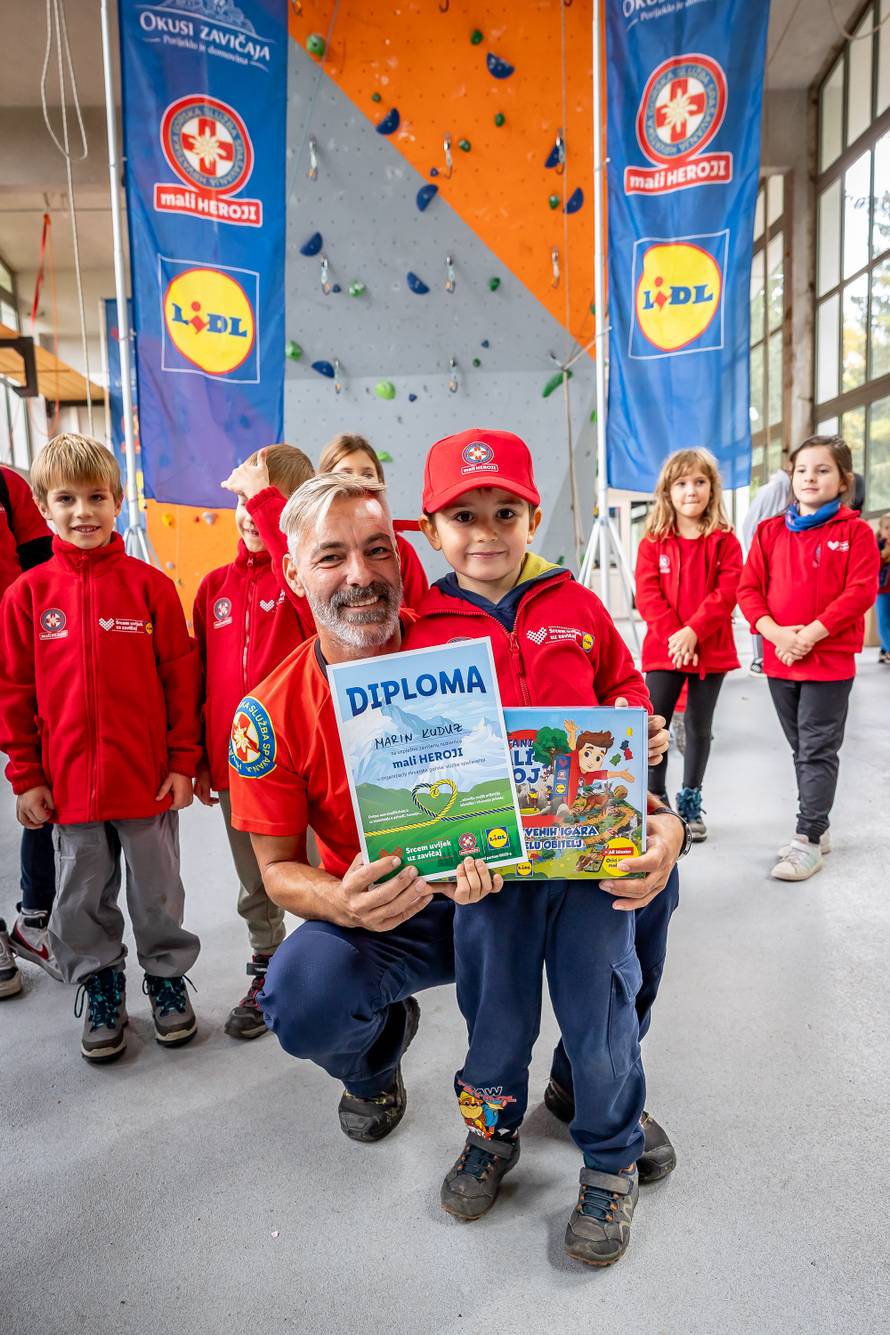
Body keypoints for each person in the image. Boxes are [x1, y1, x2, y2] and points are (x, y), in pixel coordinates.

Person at [228, 473, 684, 1178]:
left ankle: (591, 1077)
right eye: (330, 557)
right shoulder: (270, 710)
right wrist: (342, 901)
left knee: (647, 882)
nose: (360, 575)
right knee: (302, 993)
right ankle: (376, 1059)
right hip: (394, 910)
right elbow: (277, 869)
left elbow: (578, 763)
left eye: (377, 550)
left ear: (404, 554)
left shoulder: (466, 640)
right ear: (292, 572)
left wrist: (666, 825)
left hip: (511, 882)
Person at [405, 428, 685, 1267]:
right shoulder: (420, 628)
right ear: (431, 529)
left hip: (590, 860)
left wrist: (640, 725)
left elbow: (623, 685)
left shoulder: (578, 605)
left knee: (600, 1018)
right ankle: (491, 1136)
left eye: (505, 512)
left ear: (534, 517)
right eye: (464, 515)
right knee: (493, 1020)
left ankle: (609, 1159)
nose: (485, 531)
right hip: (486, 877)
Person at [0, 434, 202, 1059]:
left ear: (119, 502)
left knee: (157, 893)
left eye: (96, 497)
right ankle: (101, 983)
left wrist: (182, 762)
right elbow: (13, 692)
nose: (83, 511)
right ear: (42, 504)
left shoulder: (150, 588)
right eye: (66, 499)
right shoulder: (26, 598)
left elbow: (180, 679)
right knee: (80, 896)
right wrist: (27, 776)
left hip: (145, 782)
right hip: (69, 789)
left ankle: (167, 979)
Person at [193, 444, 314, 1039]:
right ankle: (266, 959)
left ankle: (330, 958)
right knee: (256, 879)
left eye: (265, 503)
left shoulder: (300, 581)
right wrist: (200, 759)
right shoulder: (213, 587)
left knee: (313, 868)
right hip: (235, 768)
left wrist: (276, 513)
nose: (250, 514)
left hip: (299, 767)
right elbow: (199, 682)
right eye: (243, 499)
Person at [738, 434, 880, 881]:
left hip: (828, 661)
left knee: (817, 748)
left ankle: (808, 839)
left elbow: (860, 591)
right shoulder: (769, 532)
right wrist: (777, 633)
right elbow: (748, 591)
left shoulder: (855, 532)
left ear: (843, 481)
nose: (810, 478)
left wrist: (813, 634)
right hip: (782, 657)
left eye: (822, 470)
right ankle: (818, 823)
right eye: (802, 470)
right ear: (791, 477)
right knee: (802, 748)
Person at [635, 448, 742, 841]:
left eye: (699, 482)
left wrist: (693, 631)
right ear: (667, 492)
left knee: (699, 726)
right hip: (664, 649)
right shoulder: (653, 542)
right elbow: (647, 595)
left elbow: (727, 590)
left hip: (709, 649)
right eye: (681, 483)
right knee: (655, 727)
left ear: (712, 489)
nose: (690, 491)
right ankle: (655, 796)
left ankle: (691, 799)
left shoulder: (725, 541)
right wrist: (675, 635)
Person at [0, 464, 59, 995]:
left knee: (41, 788)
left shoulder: (6, 485)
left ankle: (35, 918)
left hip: (21, 657)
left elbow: (45, 577)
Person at [317, 433, 429, 609]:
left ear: (380, 483)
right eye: (345, 474)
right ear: (322, 483)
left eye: (367, 475)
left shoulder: (401, 549)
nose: (357, 482)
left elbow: (421, 616)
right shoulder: (314, 552)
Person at [740, 464, 792, 675]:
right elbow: (757, 525)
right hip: (766, 553)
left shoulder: (780, 487)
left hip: (768, 551)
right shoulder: (778, 488)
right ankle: (761, 656)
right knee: (761, 604)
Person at [876, 512, 890, 663]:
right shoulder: (876, 545)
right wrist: (883, 556)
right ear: (881, 530)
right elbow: (871, 568)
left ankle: (884, 650)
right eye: (887, 527)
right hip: (882, 591)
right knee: (884, 620)